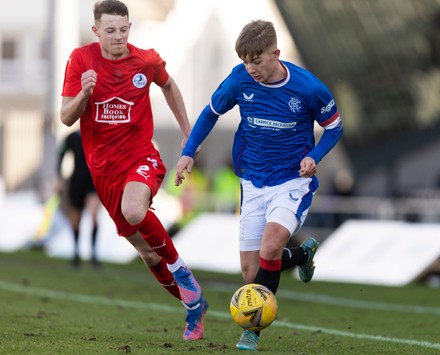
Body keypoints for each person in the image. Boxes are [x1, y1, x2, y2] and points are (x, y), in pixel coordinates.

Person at [175, 20, 343, 350]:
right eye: (245, 61)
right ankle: (301, 254)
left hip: (292, 182)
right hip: (252, 182)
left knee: (269, 249)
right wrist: (187, 153)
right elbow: (210, 112)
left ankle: (252, 330)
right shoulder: (239, 80)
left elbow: (334, 128)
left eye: (257, 60)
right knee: (250, 273)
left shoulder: (309, 88)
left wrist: (315, 155)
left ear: (275, 53)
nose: (250, 68)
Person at [60, 0, 207, 341]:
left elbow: (169, 85)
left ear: (130, 28)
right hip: (103, 172)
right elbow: (67, 116)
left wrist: (189, 134)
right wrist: (84, 92)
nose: (118, 37)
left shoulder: (146, 60)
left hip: (142, 157)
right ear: (96, 31)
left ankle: (183, 275)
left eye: (123, 29)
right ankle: (194, 309)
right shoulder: (80, 60)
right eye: (110, 31)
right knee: (147, 253)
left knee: (134, 208)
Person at [57, 129, 101, 269]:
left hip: (93, 182)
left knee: (94, 217)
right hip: (77, 182)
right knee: (76, 220)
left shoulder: (99, 134)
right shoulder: (72, 137)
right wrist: (59, 176)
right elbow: (61, 152)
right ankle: (76, 252)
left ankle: (93, 254)